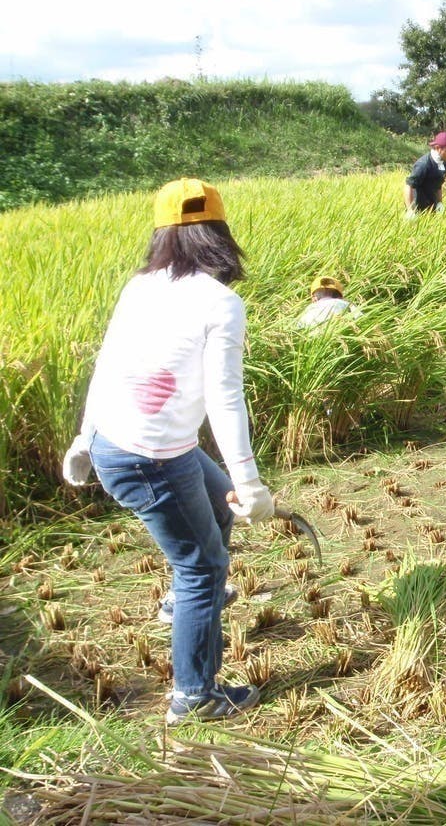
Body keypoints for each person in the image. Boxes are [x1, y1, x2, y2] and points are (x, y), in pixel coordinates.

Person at [61, 178, 274, 725]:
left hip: (130, 445)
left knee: (215, 497)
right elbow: (226, 398)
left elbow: (104, 364)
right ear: (220, 233)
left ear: (164, 235)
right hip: (148, 459)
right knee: (203, 566)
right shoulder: (221, 303)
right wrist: (251, 482)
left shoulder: (141, 286)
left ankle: (182, 607)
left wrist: (88, 437)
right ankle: (195, 695)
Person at [403, 131, 446, 216]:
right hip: (417, 210)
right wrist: (410, 210)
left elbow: (438, 185)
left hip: (431, 209)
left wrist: (439, 203)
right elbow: (409, 186)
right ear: (438, 148)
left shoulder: (444, 164)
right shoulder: (423, 164)